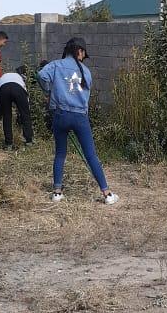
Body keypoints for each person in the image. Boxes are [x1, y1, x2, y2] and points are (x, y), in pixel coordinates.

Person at [37, 38, 118, 205]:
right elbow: (85, 94)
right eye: (83, 53)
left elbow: (41, 75)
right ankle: (107, 194)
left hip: (60, 115)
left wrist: (49, 91)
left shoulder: (56, 65)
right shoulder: (86, 71)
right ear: (79, 51)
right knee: (91, 155)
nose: (83, 57)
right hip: (80, 117)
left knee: (60, 153)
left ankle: (57, 193)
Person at [0, 65, 34, 150]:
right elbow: (25, 93)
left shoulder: (0, 78)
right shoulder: (19, 78)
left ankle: (8, 144)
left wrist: (1, 106)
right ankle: (29, 141)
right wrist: (26, 107)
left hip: (4, 89)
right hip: (18, 88)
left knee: (7, 117)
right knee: (25, 115)